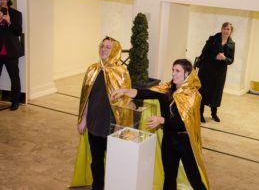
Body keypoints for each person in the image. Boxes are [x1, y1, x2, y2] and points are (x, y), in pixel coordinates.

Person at [112, 59, 210, 190]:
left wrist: (162, 120)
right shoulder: (166, 89)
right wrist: (125, 91)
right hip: (168, 140)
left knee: (194, 178)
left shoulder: (193, 95)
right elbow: (144, 93)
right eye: (173, 70)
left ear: (187, 74)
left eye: (177, 71)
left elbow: (183, 123)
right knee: (169, 176)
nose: (173, 74)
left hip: (185, 141)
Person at [76, 36, 131, 190]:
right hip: (94, 124)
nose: (103, 49)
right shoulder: (92, 69)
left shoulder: (121, 72)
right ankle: (97, 187)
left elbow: (125, 103)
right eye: (102, 46)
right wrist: (83, 119)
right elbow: (86, 97)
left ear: (115, 50)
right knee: (96, 161)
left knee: (115, 162)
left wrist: (119, 126)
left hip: (112, 125)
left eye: (108, 47)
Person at [196, 22, 235, 123]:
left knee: (216, 92)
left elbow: (231, 60)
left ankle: (214, 113)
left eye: (228, 29)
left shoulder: (232, 44)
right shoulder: (212, 39)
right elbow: (204, 53)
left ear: (231, 31)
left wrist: (224, 58)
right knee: (203, 91)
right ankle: (200, 113)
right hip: (207, 69)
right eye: (225, 28)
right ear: (221, 29)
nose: (226, 31)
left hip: (220, 72)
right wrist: (215, 57)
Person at [0, 0, 23, 111]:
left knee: (14, 77)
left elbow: (18, 31)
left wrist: (9, 21)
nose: (1, 1)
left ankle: (15, 101)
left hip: (11, 52)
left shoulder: (16, 14)